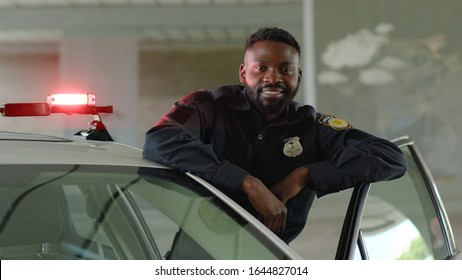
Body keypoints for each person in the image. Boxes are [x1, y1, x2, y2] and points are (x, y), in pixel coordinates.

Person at [142, 27, 407, 243]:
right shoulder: (208, 107)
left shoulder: (313, 127)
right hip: (195, 258)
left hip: (269, 260)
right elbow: (160, 139)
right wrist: (246, 182)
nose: (273, 78)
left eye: (285, 69)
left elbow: (391, 158)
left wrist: (305, 175)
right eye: (262, 68)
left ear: (298, 77)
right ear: (244, 73)